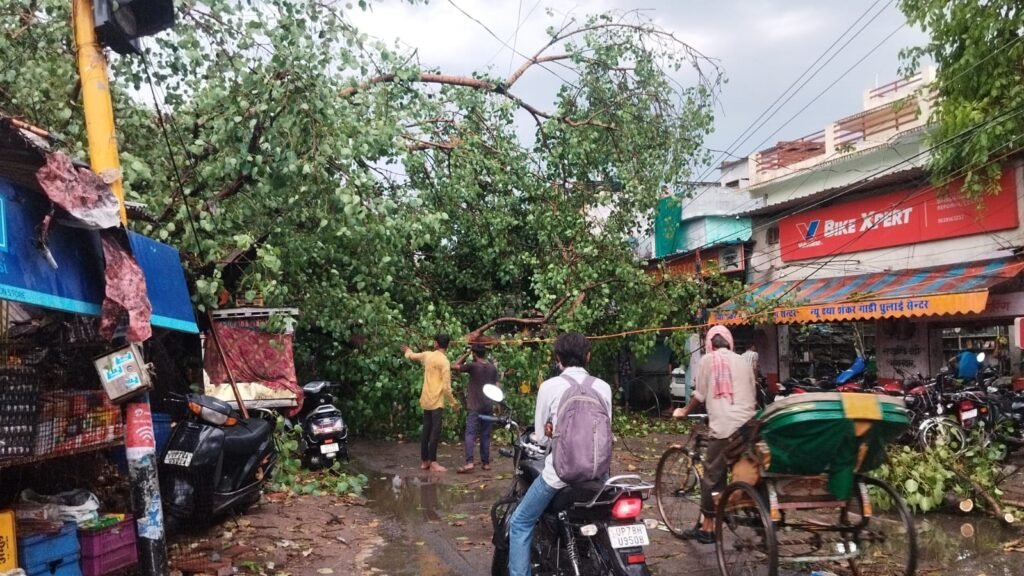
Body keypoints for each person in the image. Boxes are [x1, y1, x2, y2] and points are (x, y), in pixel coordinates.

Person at [507, 333, 613, 576]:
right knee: (606, 521)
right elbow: (607, 430)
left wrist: (547, 434)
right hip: (598, 475)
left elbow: (541, 438)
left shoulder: (549, 386)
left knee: (520, 522)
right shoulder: (603, 387)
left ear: (558, 358)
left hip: (560, 476)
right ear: (588, 357)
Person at [672, 325, 757, 544]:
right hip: (749, 428)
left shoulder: (707, 361)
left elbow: (699, 395)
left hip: (725, 428)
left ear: (709, 345)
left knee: (711, 477)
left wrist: (684, 411)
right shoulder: (743, 361)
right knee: (745, 468)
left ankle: (708, 528)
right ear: (730, 343)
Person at [401, 334, 460, 473]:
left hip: (426, 399)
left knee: (426, 430)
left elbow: (412, 356)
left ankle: (424, 461)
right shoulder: (444, 362)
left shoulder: (428, 355)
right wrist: (453, 403)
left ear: (435, 344)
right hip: (436, 402)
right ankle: (433, 462)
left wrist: (407, 351)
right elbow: (446, 387)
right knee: (435, 432)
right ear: (447, 345)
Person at [453, 343, 499, 474]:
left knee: (470, 434)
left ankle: (469, 462)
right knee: (485, 434)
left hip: (475, 406)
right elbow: (496, 386)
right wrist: (497, 404)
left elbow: (455, 366)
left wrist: (466, 353)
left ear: (474, 354)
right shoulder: (492, 368)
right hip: (488, 405)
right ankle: (486, 463)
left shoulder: (472, 366)